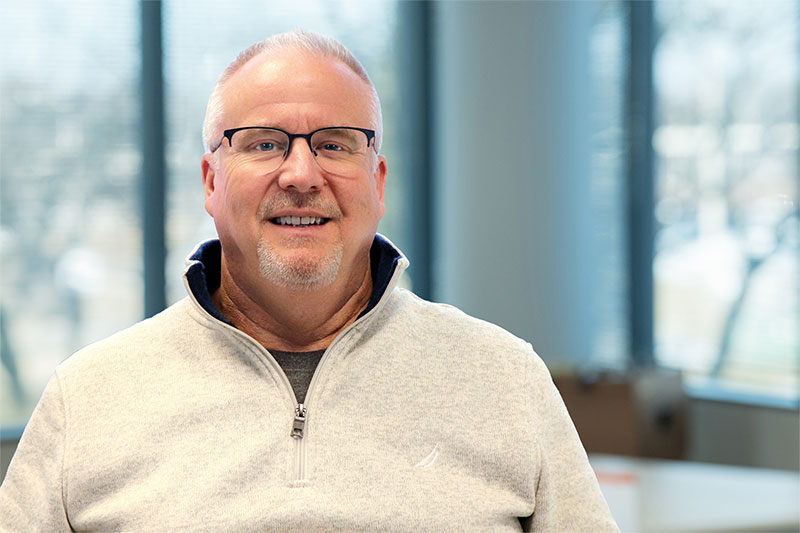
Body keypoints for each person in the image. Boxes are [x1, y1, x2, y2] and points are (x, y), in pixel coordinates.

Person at [0, 30, 618, 531]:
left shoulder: (504, 379)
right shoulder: (88, 399)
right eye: (264, 144)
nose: (300, 173)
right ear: (211, 183)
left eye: (335, 144)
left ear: (377, 183)